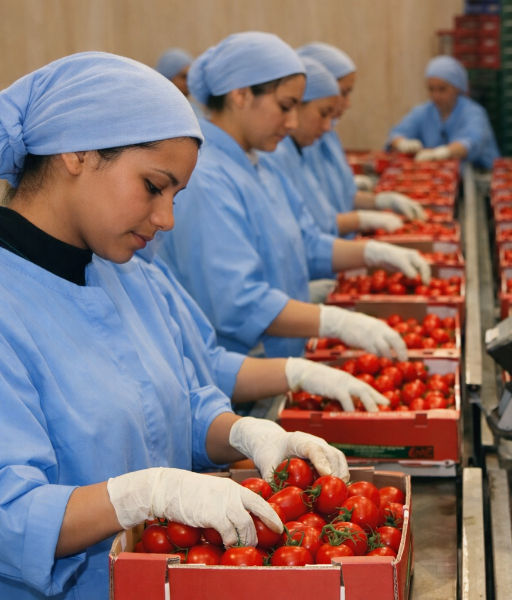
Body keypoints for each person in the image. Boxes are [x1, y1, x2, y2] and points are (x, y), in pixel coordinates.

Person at [0, 51, 348, 599]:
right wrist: (145, 494)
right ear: (77, 152)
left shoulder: (124, 275)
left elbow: (180, 405)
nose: (166, 219)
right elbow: (11, 514)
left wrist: (241, 432)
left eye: (176, 195)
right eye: (153, 186)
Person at [157, 32, 429, 359]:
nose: (292, 122)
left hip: (282, 353)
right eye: (286, 107)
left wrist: (373, 252)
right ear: (241, 95)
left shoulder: (260, 165)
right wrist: (334, 321)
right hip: (242, 373)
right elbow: (237, 302)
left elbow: (308, 243)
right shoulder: (205, 179)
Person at [138, 243, 389, 412]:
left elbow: (202, 365)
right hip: (253, 363)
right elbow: (238, 303)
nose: (167, 220)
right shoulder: (208, 184)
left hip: (245, 383)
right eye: (153, 187)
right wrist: (333, 322)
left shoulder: (145, 265)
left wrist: (297, 373)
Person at [260, 56, 403, 238]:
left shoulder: (299, 148)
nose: (328, 125)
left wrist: (379, 203)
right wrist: (363, 226)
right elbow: (311, 233)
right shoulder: (276, 154)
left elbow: (317, 223)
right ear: (241, 97)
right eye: (285, 106)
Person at [298, 42, 425, 219]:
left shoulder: (327, 136)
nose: (347, 103)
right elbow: (315, 225)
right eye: (344, 92)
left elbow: (342, 198)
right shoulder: (298, 148)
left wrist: (380, 201)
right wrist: (363, 222)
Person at [386, 55, 499, 169]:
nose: (436, 95)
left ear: (457, 88)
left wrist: (443, 152)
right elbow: (396, 134)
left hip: (478, 173)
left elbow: (472, 142)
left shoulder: (473, 113)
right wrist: (402, 143)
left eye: (442, 89)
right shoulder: (423, 112)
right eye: (431, 89)